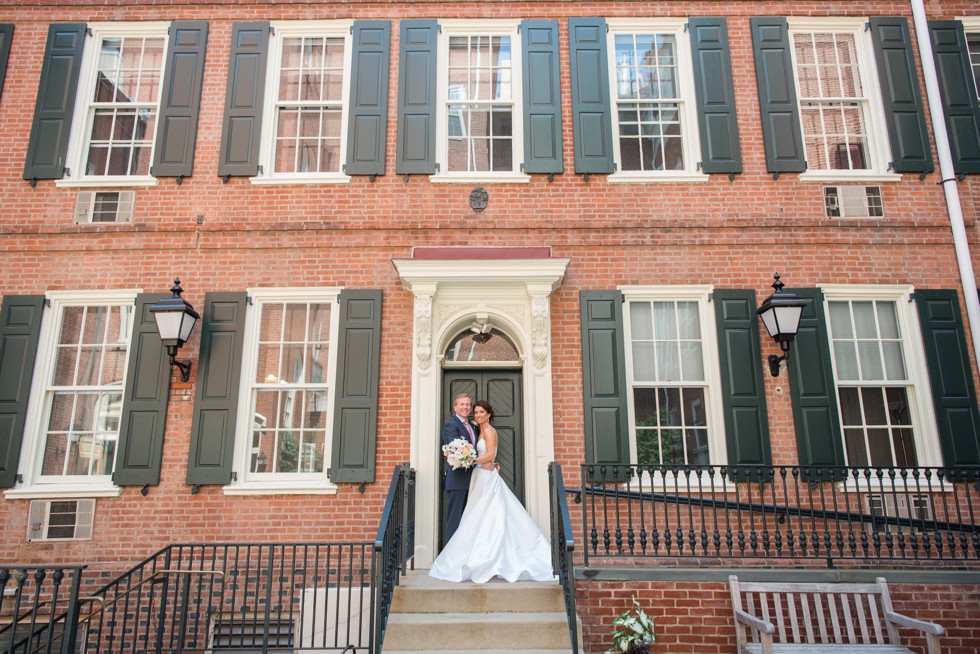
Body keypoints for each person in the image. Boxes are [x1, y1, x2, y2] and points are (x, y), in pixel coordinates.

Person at [429, 400, 555, 583]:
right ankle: (472, 556)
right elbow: (478, 453)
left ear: (489, 414)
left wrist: (471, 460)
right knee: (476, 517)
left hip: (486, 478)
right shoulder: (475, 429)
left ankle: (494, 558)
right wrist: (476, 461)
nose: (478, 415)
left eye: (481, 412)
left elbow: (489, 454)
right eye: (476, 412)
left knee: (491, 516)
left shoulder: (489, 431)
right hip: (478, 477)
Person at [441, 393, 480, 545]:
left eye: (468, 405)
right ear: (455, 407)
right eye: (462, 404)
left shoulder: (473, 425)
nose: (465, 407)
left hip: (474, 480)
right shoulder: (451, 425)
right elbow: (455, 449)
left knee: (469, 521)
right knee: (455, 520)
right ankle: (450, 558)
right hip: (458, 480)